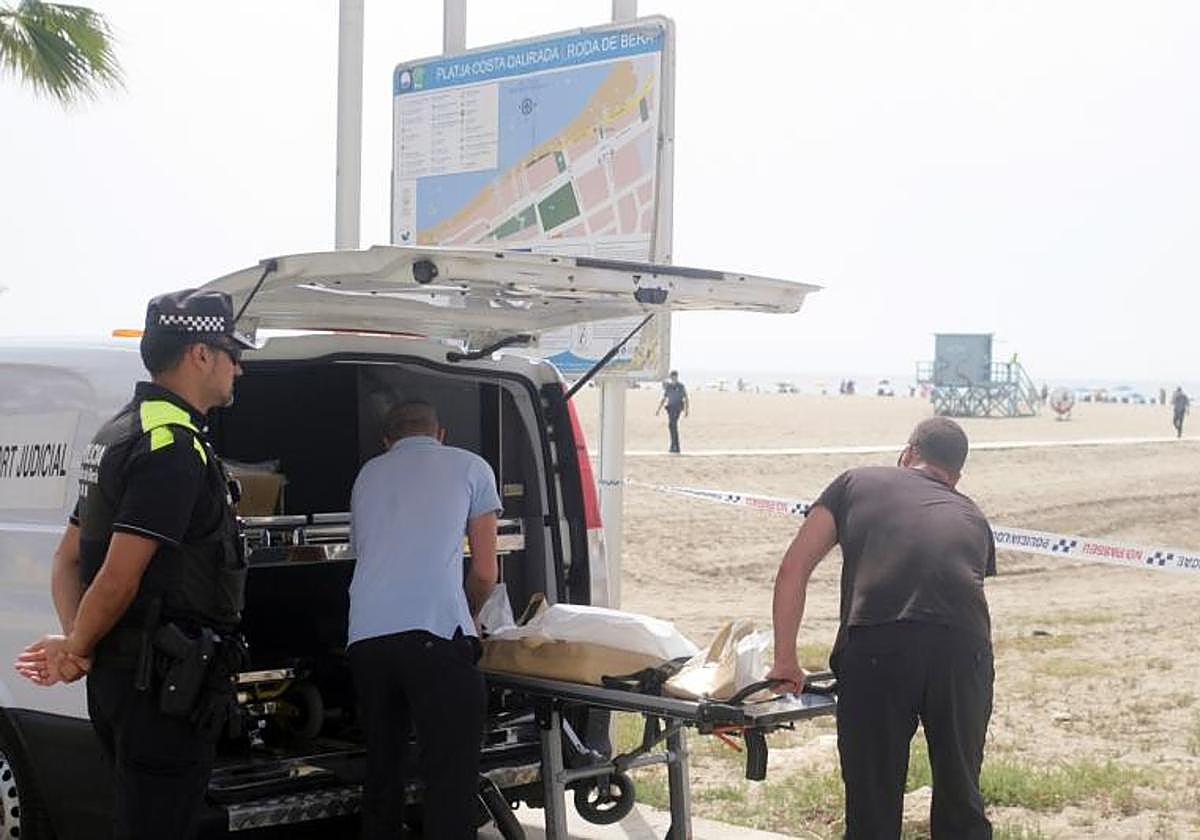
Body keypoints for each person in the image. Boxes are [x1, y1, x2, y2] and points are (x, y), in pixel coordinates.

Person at [15, 289, 253, 839]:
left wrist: (81, 646)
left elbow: (67, 560)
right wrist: (77, 646)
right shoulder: (172, 446)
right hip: (162, 692)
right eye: (231, 353)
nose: (238, 368)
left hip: (129, 682)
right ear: (200, 354)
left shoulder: (117, 432)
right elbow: (119, 576)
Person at [767, 418, 995, 839]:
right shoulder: (972, 515)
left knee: (872, 801)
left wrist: (786, 661)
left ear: (907, 454)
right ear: (956, 477)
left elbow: (793, 568)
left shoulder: (854, 482)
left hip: (879, 643)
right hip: (965, 650)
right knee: (960, 796)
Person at [348, 400, 501, 839]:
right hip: (435, 633)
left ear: (387, 441)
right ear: (441, 434)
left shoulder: (367, 475)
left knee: (382, 771)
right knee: (450, 778)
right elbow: (485, 572)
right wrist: (468, 615)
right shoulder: (471, 467)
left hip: (366, 639)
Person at [656, 370, 689, 453]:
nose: (673, 378)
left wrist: (686, 410)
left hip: (677, 408)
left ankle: (675, 446)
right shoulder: (669, 387)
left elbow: (686, 398)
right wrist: (658, 409)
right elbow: (664, 398)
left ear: (676, 377)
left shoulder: (680, 386)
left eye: (674, 376)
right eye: (672, 377)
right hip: (670, 408)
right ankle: (674, 445)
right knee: (671, 426)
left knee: (673, 425)